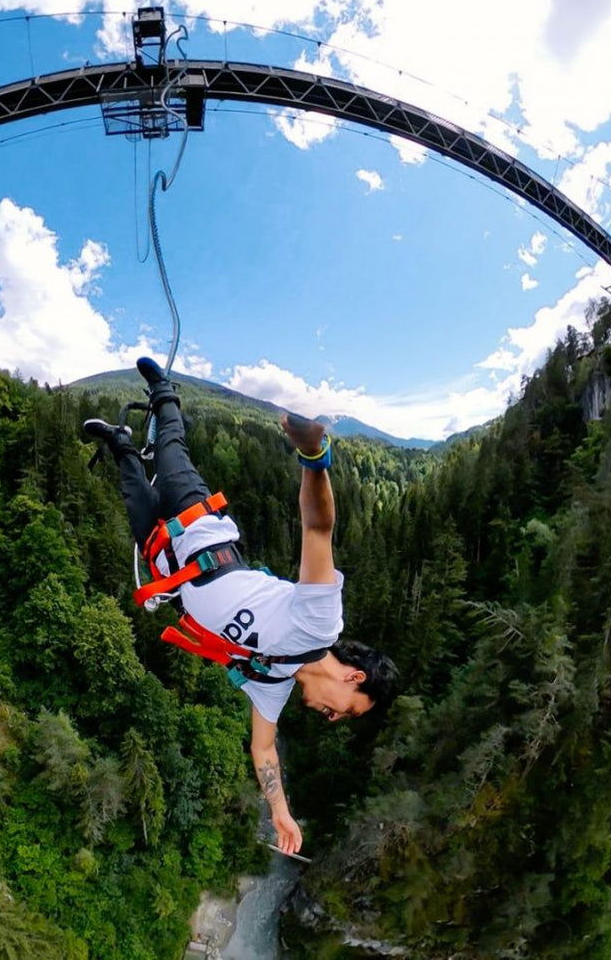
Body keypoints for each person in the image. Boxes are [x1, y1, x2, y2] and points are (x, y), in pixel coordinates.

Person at [83, 357, 399, 856]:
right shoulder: (318, 624)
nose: (332, 719)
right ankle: (164, 393)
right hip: (203, 533)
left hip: (171, 564)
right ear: (353, 678)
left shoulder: (272, 683)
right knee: (170, 452)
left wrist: (280, 811)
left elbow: (264, 750)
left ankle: (120, 441)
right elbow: (318, 529)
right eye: (347, 713)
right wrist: (314, 460)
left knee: (135, 496)